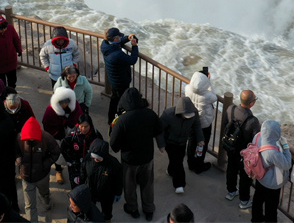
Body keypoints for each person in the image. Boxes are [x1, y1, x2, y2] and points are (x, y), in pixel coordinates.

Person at [109, 87, 163, 222]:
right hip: (147, 157)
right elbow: (158, 130)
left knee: (130, 185)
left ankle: (133, 208)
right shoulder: (150, 114)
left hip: (130, 160)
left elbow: (114, 144)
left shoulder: (122, 120)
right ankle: (149, 209)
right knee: (147, 184)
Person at [222, 90, 261, 209]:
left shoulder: (230, 109)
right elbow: (256, 141)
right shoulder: (253, 121)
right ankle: (244, 201)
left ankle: (231, 191)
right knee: (245, 176)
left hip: (230, 147)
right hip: (244, 153)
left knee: (231, 168)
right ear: (251, 103)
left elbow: (224, 124)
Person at [17, 117, 59, 223]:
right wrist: (18, 159)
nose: (30, 140)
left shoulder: (47, 138)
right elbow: (15, 150)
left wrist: (45, 165)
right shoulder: (19, 137)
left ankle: (46, 199)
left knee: (44, 192)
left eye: (33, 139)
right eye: (28, 139)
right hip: (26, 176)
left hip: (42, 176)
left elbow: (56, 152)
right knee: (29, 205)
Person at [159, 96, 203, 194]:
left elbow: (197, 125)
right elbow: (159, 130)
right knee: (178, 162)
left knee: (177, 159)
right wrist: (161, 144)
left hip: (182, 141)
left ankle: (170, 171)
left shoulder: (194, 113)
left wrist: (200, 139)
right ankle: (179, 184)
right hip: (170, 141)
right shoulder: (168, 115)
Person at [250, 120, 292, 222]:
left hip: (260, 175)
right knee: (271, 208)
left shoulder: (258, 136)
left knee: (258, 199)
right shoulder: (272, 151)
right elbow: (287, 164)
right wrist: (285, 147)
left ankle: (256, 219)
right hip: (271, 183)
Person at [42, 86, 83, 185]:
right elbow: (47, 125)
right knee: (57, 152)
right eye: (62, 102)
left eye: (67, 102)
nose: (65, 104)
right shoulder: (50, 111)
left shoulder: (75, 105)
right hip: (57, 135)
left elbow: (80, 118)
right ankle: (58, 170)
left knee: (74, 151)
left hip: (72, 133)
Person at [100, 27, 138, 126]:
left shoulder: (105, 44)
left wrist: (127, 38)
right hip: (121, 81)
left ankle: (111, 119)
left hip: (114, 79)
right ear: (115, 38)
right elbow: (132, 60)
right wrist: (134, 46)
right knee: (122, 101)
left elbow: (118, 43)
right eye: (118, 37)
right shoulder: (116, 54)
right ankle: (118, 121)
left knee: (114, 99)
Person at [184, 70, 216, 174]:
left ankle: (190, 163)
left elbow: (194, 85)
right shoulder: (208, 96)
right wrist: (209, 82)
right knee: (202, 144)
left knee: (192, 142)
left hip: (191, 120)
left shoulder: (187, 89)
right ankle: (199, 165)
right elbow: (214, 97)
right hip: (204, 124)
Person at [82, 139, 122, 221]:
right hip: (91, 190)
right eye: (94, 157)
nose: (96, 160)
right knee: (90, 208)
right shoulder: (88, 159)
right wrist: (82, 186)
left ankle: (107, 220)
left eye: (99, 158)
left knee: (106, 211)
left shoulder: (114, 164)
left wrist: (118, 193)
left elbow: (119, 180)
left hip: (106, 194)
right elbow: (83, 172)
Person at [61, 114, 102, 189]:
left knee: (89, 186)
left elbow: (101, 150)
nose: (83, 129)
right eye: (81, 126)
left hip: (90, 165)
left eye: (86, 126)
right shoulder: (72, 135)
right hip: (75, 166)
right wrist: (70, 161)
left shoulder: (96, 135)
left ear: (90, 125)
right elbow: (64, 148)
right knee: (75, 186)